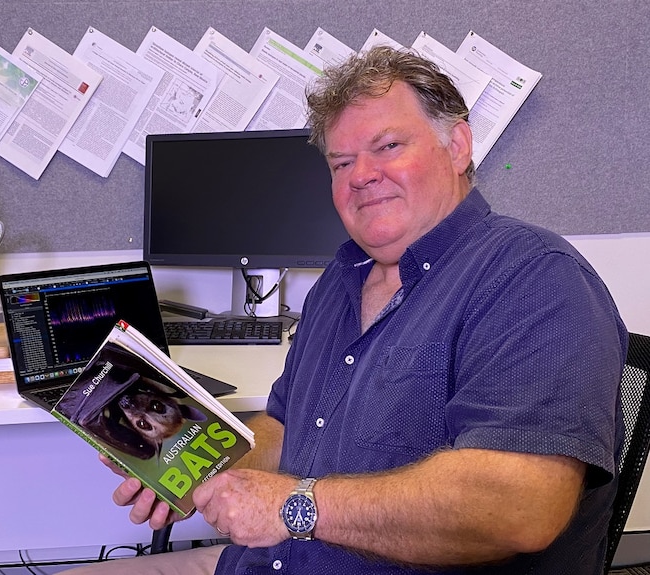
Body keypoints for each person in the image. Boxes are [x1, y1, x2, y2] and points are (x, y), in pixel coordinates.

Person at [61, 46, 628, 574]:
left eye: (387, 147)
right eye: (340, 163)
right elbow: (285, 428)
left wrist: (296, 508)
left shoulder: (532, 278)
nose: (360, 176)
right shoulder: (342, 279)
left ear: (457, 147)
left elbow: (520, 505)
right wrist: (192, 471)